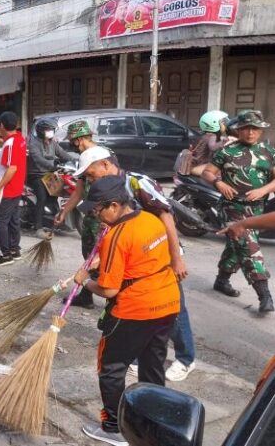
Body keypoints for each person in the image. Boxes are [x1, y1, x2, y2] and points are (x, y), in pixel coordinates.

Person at [73, 175, 181, 446]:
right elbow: (141, 258)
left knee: (110, 368)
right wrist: (103, 261)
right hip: (167, 304)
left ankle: (113, 427)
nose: (96, 216)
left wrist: (84, 280)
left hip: (134, 311)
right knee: (152, 366)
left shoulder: (116, 236)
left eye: (97, 210)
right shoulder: (149, 219)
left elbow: (109, 291)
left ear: (113, 205)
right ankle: (154, 422)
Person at [74, 146, 197, 382]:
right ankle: (143, 356)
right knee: (141, 308)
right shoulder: (105, 191)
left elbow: (166, 216)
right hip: (133, 257)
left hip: (159, 254)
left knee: (172, 306)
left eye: (91, 174)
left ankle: (185, 358)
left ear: (106, 165)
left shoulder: (138, 183)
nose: (90, 179)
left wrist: (176, 258)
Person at [202, 110, 275, 313]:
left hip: (258, 210)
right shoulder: (226, 151)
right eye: (245, 128)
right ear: (239, 130)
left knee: (236, 246)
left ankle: (221, 280)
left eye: (254, 128)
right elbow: (207, 172)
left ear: (260, 130)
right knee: (248, 247)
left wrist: (264, 189)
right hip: (232, 208)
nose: (250, 132)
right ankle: (264, 295)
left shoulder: (269, 152)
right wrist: (219, 183)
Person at [54, 120, 117, 308]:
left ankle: (112, 298)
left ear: (80, 139)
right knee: (88, 255)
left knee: (103, 259)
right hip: (90, 216)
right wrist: (64, 212)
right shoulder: (83, 158)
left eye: (74, 141)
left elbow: (114, 187)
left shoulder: (104, 156)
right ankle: (86, 296)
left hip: (105, 215)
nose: (73, 144)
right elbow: (79, 191)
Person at [26, 117, 78, 237]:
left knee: (57, 195)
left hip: (49, 175)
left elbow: (62, 153)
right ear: (41, 130)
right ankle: (38, 228)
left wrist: (74, 160)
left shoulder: (52, 143)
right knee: (42, 198)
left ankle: (55, 222)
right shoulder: (33, 143)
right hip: (36, 175)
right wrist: (52, 166)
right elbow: (38, 159)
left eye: (52, 129)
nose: (50, 131)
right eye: (48, 129)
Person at [0, 111, 27, 268]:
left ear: (2, 126)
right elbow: (12, 153)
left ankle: (4, 254)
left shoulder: (10, 143)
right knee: (12, 219)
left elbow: (12, 168)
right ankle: (14, 249)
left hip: (8, 188)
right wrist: (0, 140)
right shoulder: (19, 139)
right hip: (17, 187)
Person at [189, 110, 232, 176]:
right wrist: (224, 141)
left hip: (199, 163)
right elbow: (212, 147)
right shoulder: (212, 135)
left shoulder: (205, 135)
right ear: (214, 124)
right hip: (204, 164)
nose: (225, 125)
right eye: (222, 122)